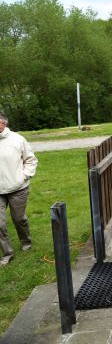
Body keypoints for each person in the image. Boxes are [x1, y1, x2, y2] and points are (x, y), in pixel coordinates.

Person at [0, 112, 38, 266]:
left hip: (18, 188)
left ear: (3, 122)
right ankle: (7, 253)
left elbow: (31, 160)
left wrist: (23, 176)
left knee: (18, 218)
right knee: (0, 224)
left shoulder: (17, 139)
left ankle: (26, 241)